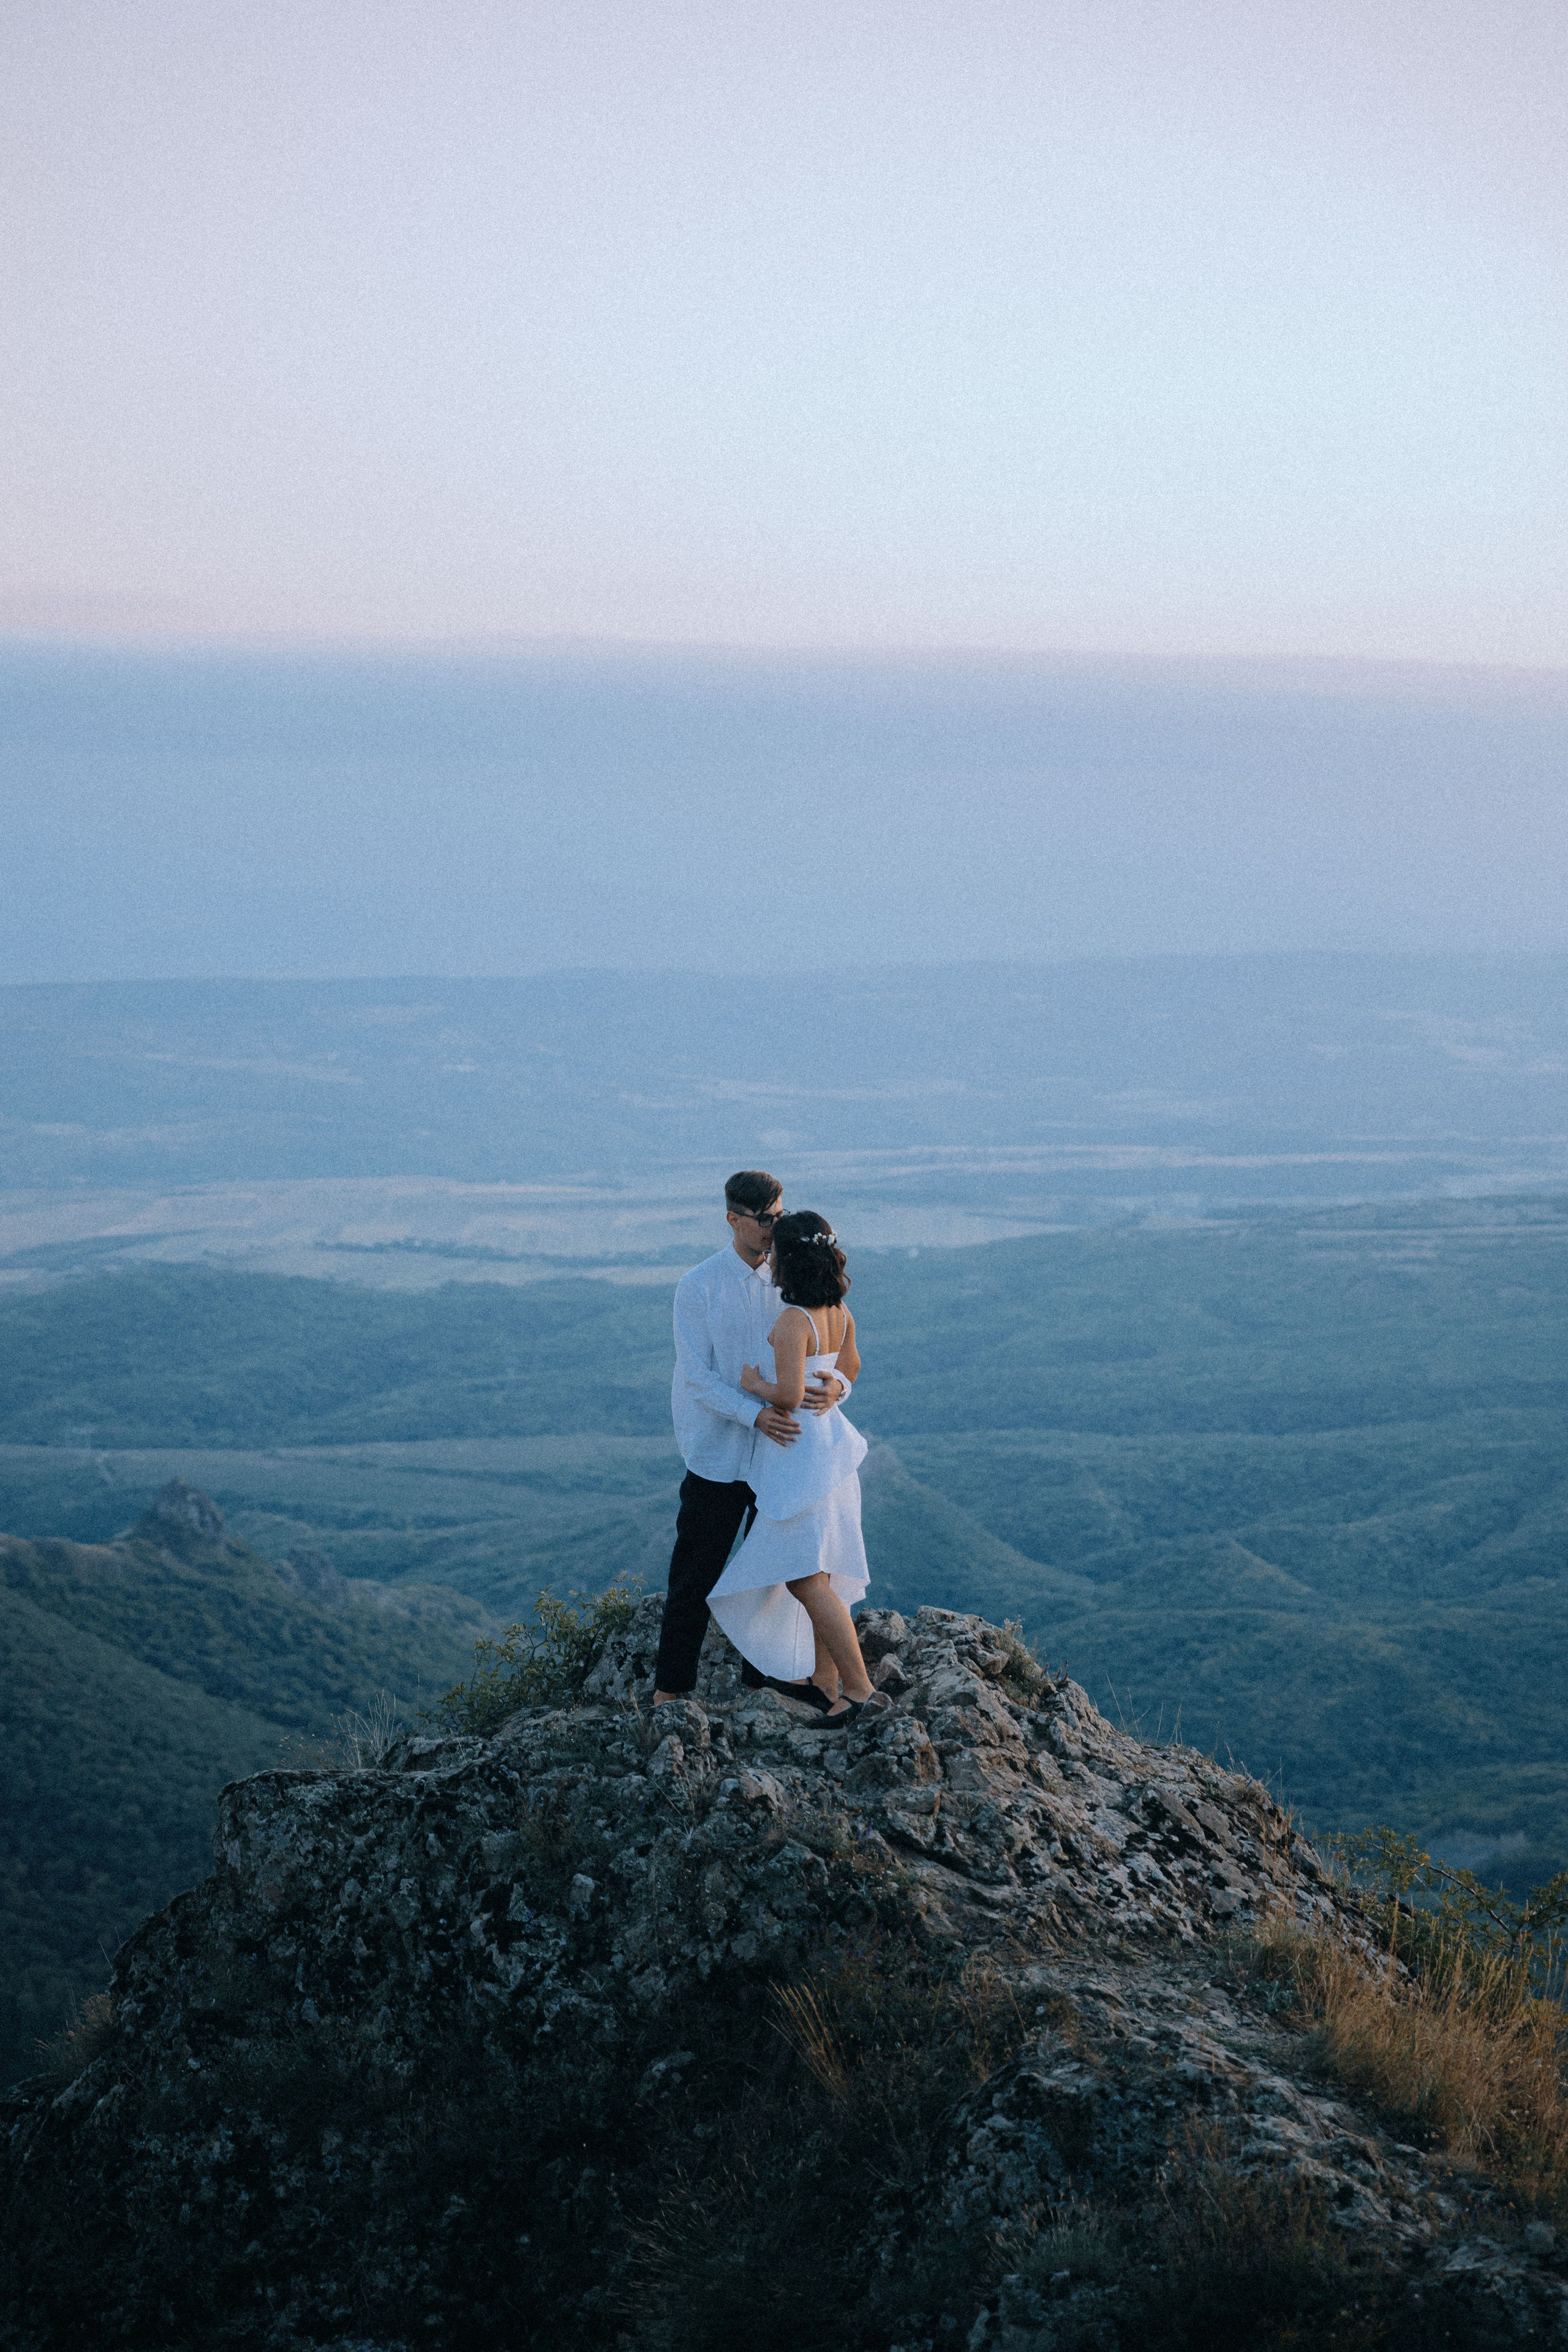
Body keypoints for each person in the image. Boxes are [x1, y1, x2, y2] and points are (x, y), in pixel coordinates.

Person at [652, 1171, 850, 1709]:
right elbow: (698, 1377)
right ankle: (670, 1692)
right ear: (733, 1219)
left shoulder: (794, 1279)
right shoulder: (699, 1285)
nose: (772, 1228)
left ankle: (766, 1682)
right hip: (719, 1450)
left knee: (775, 1573)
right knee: (696, 1575)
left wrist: (838, 1387)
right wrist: (754, 1415)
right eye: (763, 1219)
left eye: (779, 1217)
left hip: (783, 1456)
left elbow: (829, 1353)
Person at [707, 1210, 885, 1728]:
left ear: (787, 1259)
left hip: (800, 1458)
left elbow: (787, 1395)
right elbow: (849, 1368)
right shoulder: (839, 1311)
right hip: (831, 1456)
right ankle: (826, 1683)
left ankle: (858, 1689)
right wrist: (837, 1389)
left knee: (807, 1580)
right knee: (820, 1571)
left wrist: (754, 1385)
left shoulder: (792, 1321)